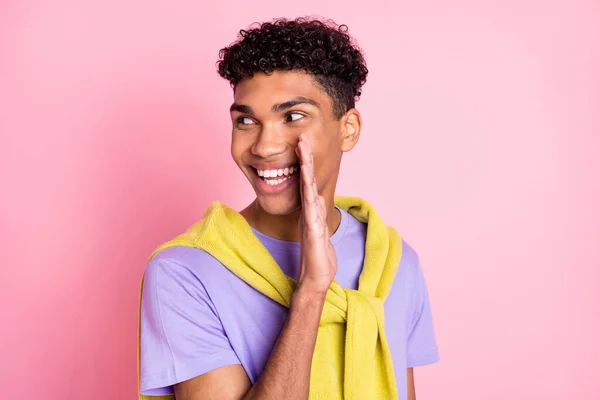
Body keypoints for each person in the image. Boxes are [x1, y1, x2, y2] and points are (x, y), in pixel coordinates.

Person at [138, 17, 439, 400]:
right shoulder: (186, 270)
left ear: (348, 129)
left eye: (293, 117)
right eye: (246, 121)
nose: (264, 146)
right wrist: (312, 291)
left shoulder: (394, 264)